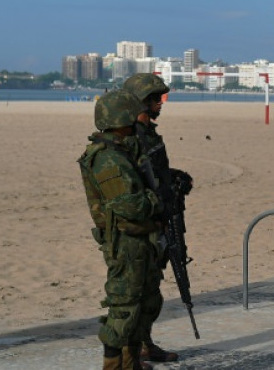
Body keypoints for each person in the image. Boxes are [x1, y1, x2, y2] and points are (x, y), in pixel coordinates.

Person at [79, 90, 164, 370]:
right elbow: (131, 206)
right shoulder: (108, 158)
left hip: (138, 238)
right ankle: (113, 365)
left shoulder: (123, 150)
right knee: (124, 306)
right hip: (125, 242)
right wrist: (157, 198)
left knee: (146, 301)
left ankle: (131, 362)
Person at [122, 73, 191, 364]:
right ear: (143, 101)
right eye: (157, 99)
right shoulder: (130, 136)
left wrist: (174, 178)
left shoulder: (148, 133)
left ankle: (145, 344)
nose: (161, 105)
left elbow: (155, 171)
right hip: (143, 224)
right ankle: (131, 352)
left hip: (160, 221)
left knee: (152, 292)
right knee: (136, 294)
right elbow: (133, 183)